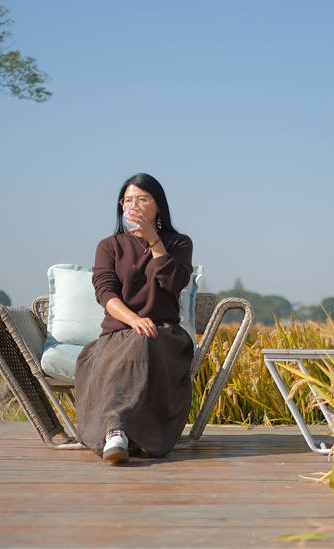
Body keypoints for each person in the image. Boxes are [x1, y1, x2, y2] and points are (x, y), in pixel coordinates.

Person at [75, 173, 194, 463]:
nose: (134, 205)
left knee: (144, 341)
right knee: (131, 344)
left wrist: (153, 239)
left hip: (164, 335)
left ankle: (117, 431)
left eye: (142, 199)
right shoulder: (109, 245)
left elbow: (174, 283)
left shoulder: (178, 243)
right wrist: (133, 320)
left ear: (158, 205)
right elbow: (105, 292)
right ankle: (117, 433)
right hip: (118, 333)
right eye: (128, 200)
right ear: (121, 205)